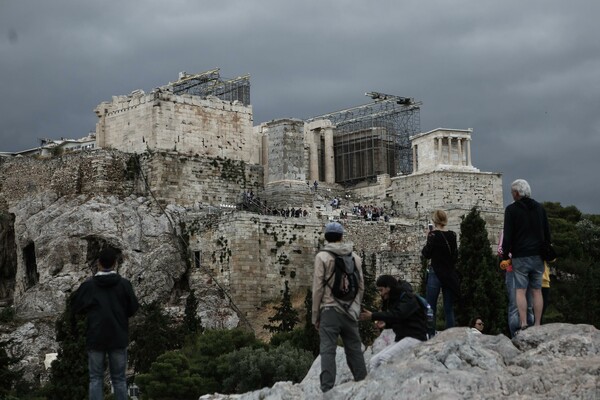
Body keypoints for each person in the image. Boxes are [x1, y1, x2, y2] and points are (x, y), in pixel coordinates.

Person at [72, 248, 139, 400]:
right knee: (120, 379)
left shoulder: (89, 286)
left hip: (96, 336)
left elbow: (76, 307)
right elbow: (133, 307)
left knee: (95, 378)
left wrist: (90, 314)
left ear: (98, 264)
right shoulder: (124, 285)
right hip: (118, 336)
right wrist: (121, 316)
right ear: (115, 264)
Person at [312, 222, 367, 393]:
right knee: (354, 348)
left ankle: (327, 389)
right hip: (350, 310)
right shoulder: (355, 257)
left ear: (326, 237)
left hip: (329, 310)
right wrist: (356, 308)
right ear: (342, 236)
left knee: (328, 349)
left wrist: (315, 316)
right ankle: (364, 384)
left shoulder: (322, 257)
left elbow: (318, 288)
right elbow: (361, 286)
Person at [501, 179, 551, 333]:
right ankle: (537, 324)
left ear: (517, 193)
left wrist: (504, 255)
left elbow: (508, 235)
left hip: (520, 255)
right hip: (537, 255)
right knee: (537, 290)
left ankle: (523, 323)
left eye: (512, 193)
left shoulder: (511, 209)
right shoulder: (540, 208)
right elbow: (547, 233)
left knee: (520, 291)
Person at [359, 275, 427, 370]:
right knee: (373, 361)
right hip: (402, 338)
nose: (381, 294)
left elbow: (398, 315)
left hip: (415, 337)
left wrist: (373, 315)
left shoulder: (407, 298)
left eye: (381, 290)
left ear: (388, 288)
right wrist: (386, 324)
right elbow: (397, 318)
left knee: (385, 358)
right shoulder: (393, 300)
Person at [422, 209, 460, 337]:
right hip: (449, 273)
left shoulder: (433, 235)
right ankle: (450, 335)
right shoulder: (453, 235)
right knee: (448, 308)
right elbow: (455, 256)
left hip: (435, 272)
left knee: (431, 307)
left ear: (435, 220)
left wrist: (428, 236)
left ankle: (431, 335)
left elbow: (426, 254)